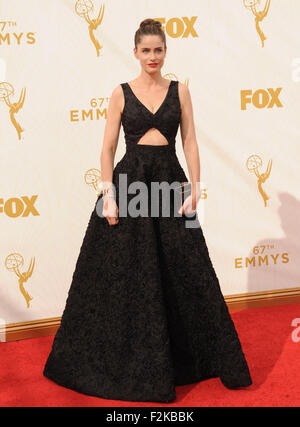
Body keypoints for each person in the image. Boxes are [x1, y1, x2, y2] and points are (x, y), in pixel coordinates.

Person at [43, 18, 252, 403]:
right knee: (127, 276)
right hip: (131, 185)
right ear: (135, 52)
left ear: (165, 51)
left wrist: (197, 185)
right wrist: (108, 194)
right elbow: (106, 148)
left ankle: (189, 359)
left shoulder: (181, 91)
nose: (152, 57)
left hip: (170, 183)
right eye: (146, 50)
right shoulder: (121, 93)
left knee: (186, 269)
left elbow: (189, 139)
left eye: (158, 50)